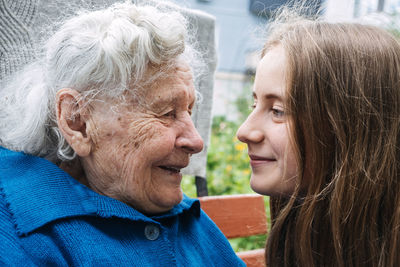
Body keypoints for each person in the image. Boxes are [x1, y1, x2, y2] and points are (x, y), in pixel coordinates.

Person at [0, 2, 244, 266]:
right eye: (165, 113)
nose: (196, 142)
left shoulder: (166, 204)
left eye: (189, 111)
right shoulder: (19, 230)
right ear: (78, 121)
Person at [236, 8, 400, 267]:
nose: (244, 132)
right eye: (253, 104)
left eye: (278, 111)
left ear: (350, 128)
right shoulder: (302, 245)